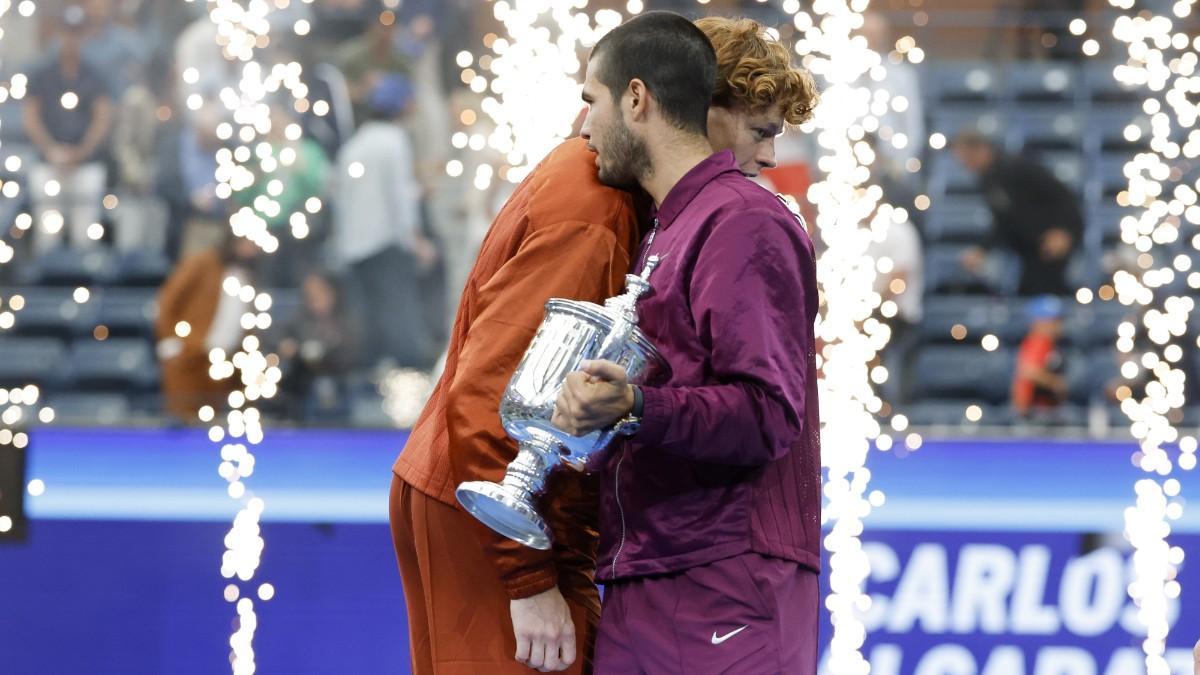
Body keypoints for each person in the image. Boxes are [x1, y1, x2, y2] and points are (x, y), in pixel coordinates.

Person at [551, 12, 821, 674]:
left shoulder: (745, 218)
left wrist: (634, 407)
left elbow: (766, 412)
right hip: (657, 564)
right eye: (761, 130)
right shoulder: (674, 222)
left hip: (722, 571)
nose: (770, 157)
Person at [386, 84, 642, 675]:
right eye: (756, 130)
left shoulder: (591, 183)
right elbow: (494, 394)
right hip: (497, 506)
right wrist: (526, 578)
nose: (766, 157)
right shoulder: (596, 209)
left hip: (482, 495)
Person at [330, 75, 437, 369]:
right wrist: (414, 239)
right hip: (385, 242)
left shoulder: (355, 143)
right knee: (400, 319)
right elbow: (398, 196)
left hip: (355, 246)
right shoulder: (394, 140)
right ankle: (410, 381)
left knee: (369, 322)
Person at [24, 5, 113, 253]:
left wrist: (81, 152)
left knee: (85, 234)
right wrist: (51, 150)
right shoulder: (42, 74)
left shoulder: (95, 75)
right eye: (67, 32)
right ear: (59, 33)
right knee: (47, 233)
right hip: (49, 163)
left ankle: (84, 272)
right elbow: (31, 118)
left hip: (85, 163)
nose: (71, 39)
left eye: (76, 33)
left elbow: (102, 119)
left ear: (84, 35)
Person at [953, 131, 1083, 296]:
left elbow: (1063, 196)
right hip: (1028, 248)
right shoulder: (987, 180)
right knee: (1028, 292)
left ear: (982, 149)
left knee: (1047, 291)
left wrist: (1065, 231)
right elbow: (1003, 221)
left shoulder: (1018, 167)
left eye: (967, 157)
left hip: (1051, 242)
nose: (965, 164)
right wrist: (983, 249)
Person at [155, 235, 258, 420]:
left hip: (223, 363)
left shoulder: (246, 274)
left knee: (211, 426)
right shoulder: (202, 263)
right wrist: (172, 342)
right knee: (184, 422)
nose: (252, 249)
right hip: (189, 359)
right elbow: (167, 302)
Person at [1012, 295, 1067, 417]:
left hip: (1042, 410)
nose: (1058, 325)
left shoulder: (1050, 343)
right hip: (1033, 412)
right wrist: (1055, 383)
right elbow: (1028, 371)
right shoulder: (1039, 341)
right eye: (1053, 321)